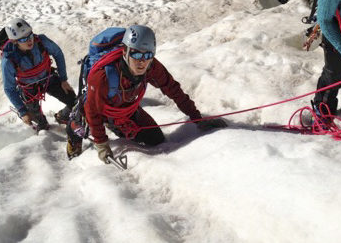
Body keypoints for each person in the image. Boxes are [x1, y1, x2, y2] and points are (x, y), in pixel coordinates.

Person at [66, 25, 226, 162]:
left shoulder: (152, 67)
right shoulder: (102, 75)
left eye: (148, 55)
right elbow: (93, 110)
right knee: (80, 127)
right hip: (97, 108)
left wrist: (196, 118)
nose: (142, 61)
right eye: (136, 54)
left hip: (125, 109)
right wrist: (101, 143)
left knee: (155, 139)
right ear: (125, 52)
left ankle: (114, 124)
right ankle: (71, 124)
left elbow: (173, 90)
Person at [1, 18, 77, 130]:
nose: (29, 40)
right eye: (23, 39)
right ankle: (43, 128)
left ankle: (63, 116)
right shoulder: (8, 60)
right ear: (14, 41)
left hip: (48, 78)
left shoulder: (41, 42)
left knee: (74, 102)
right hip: (29, 89)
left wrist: (63, 80)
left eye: (30, 35)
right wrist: (23, 112)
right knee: (36, 118)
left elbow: (58, 54)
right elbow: (9, 88)